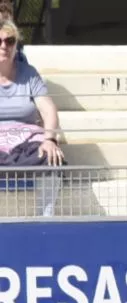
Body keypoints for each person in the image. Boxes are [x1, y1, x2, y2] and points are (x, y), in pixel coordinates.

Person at [0, 19, 64, 216]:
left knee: (51, 157)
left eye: (10, 41)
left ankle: (46, 217)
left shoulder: (29, 74)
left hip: (26, 140)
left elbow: (48, 109)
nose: (4, 46)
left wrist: (50, 139)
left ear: (16, 45)